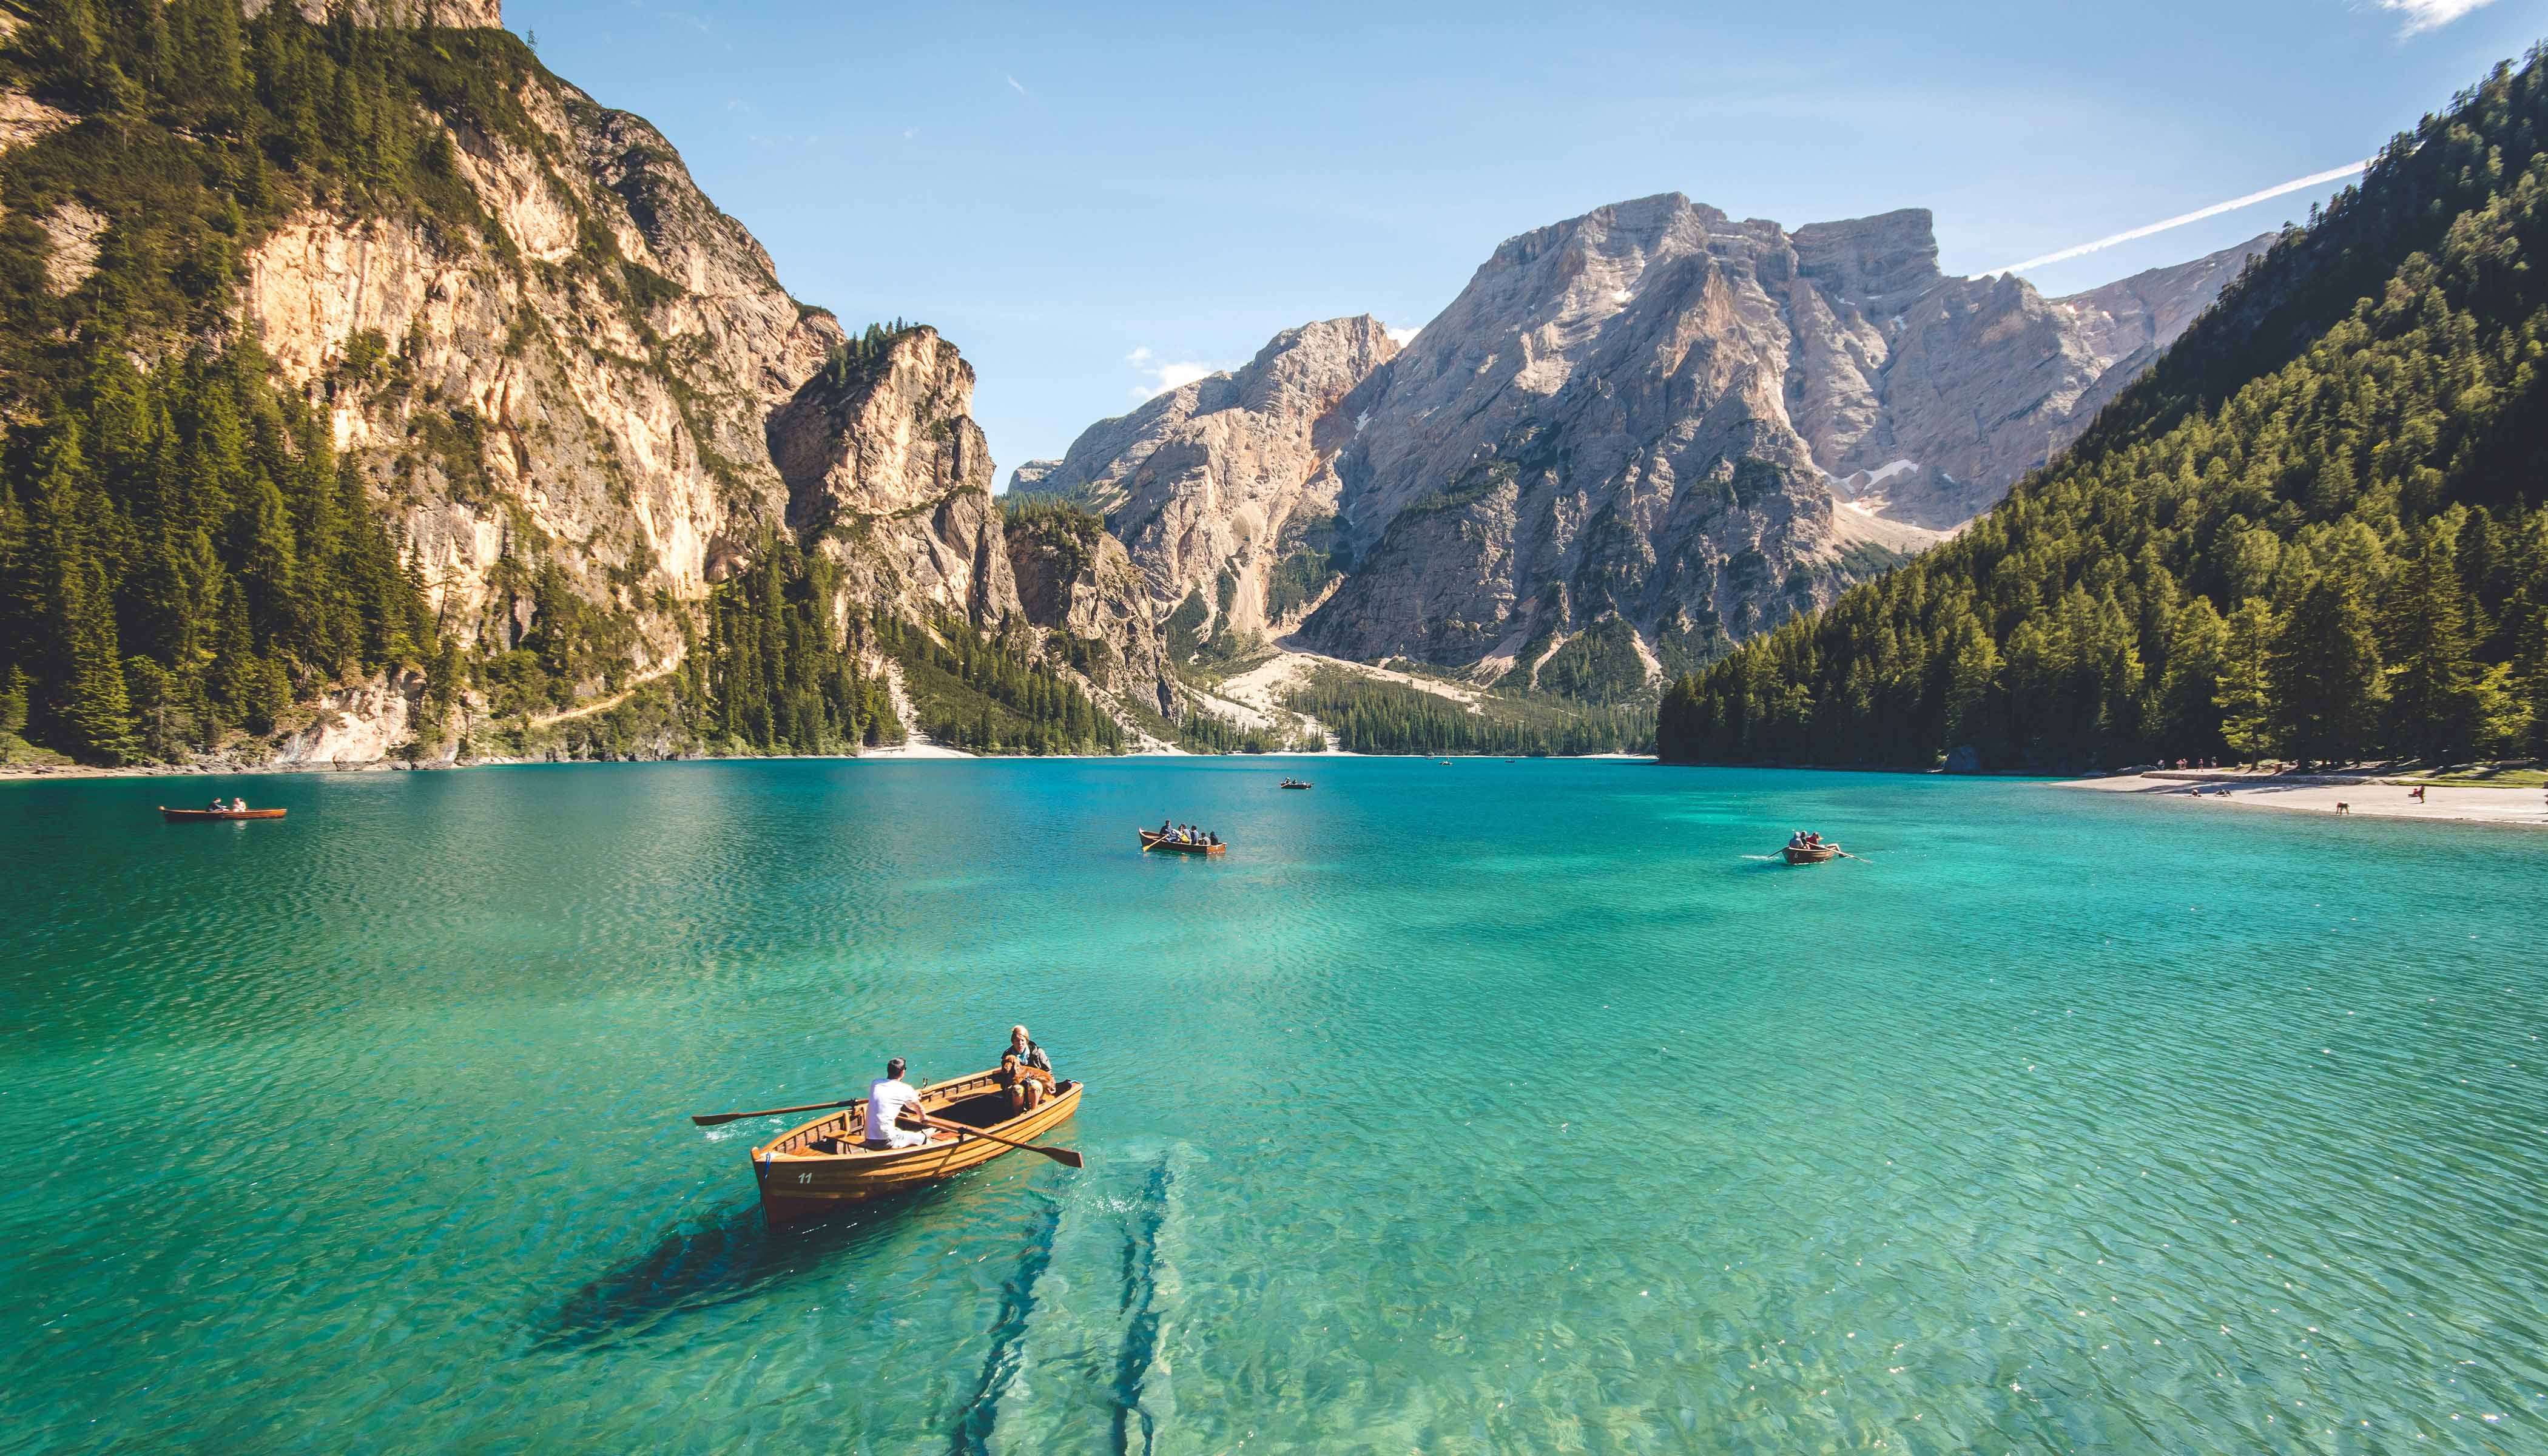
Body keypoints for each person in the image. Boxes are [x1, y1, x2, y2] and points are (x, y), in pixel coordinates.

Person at [862, 1057, 948, 1151]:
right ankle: (934, 1156)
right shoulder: (906, 1089)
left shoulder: (875, 1083)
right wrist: (923, 1118)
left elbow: (892, 1092)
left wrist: (913, 1094)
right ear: (903, 1072)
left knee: (898, 1131)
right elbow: (918, 1107)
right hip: (886, 1141)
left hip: (869, 1138)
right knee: (922, 1139)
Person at [999, 1024, 1056, 1113]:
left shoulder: (1038, 1052)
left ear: (1027, 1041)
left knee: (1033, 1085)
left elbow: (1048, 1072)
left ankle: (1034, 1111)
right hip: (1018, 1087)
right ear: (1013, 1042)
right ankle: (1017, 1115)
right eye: (1017, 1041)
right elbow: (1003, 1075)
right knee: (1017, 1089)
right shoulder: (1008, 1056)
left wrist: (1052, 1087)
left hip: (1037, 1086)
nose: (1020, 1043)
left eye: (1022, 1040)